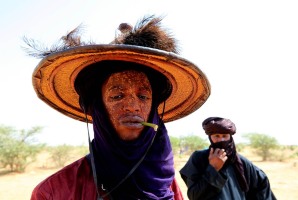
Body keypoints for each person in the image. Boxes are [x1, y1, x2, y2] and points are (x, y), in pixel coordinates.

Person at [25, 15, 211, 199]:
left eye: (143, 96)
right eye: (117, 96)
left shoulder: (165, 181)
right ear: (97, 108)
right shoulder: (52, 193)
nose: (132, 107)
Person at [180, 117, 276, 200]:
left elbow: (262, 188)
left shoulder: (241, 162)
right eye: (217, 136)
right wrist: (213, 168)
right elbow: (194, 196)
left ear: (230, 138)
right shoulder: (199, 158)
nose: (221, 140)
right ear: (210, 137)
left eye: (225, 136)